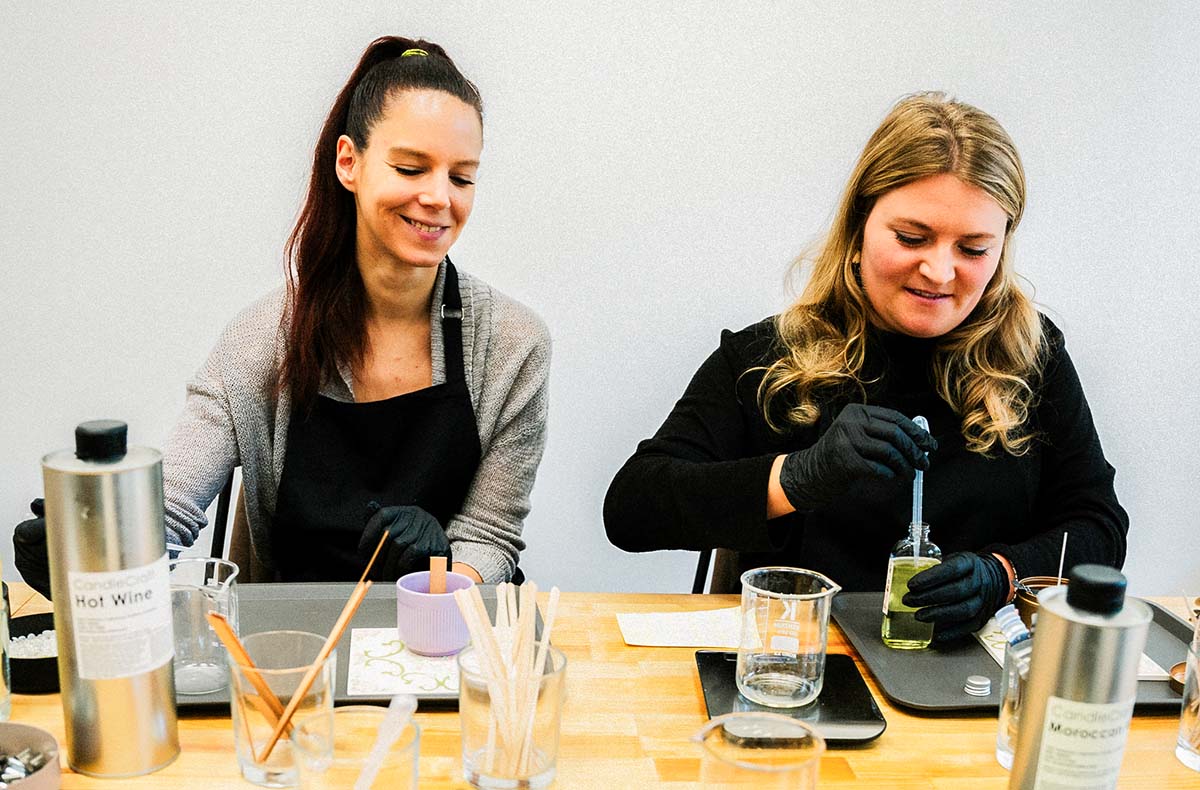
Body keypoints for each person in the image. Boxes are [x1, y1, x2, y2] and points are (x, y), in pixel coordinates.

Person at [16, 37, 550, 589]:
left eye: (461, 177)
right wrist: (94, 555)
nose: (440, 197)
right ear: (349, 162)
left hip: (446, 627)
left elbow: (491, 535)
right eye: (411, 168)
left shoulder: (512, 344)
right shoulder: (263, 338)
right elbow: (171, 505)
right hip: (290, 636)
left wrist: (441, 576)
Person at [603, 92, 1127, 643]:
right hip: (800, 661)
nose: (939, 271)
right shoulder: (767, 360)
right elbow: (632, 509)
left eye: (973, 249)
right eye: (912, 238)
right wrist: (797, 477)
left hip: (974, 668)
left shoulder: (1031, 358)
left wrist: (1003, 574)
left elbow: (1099, 528)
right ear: (858, 229)